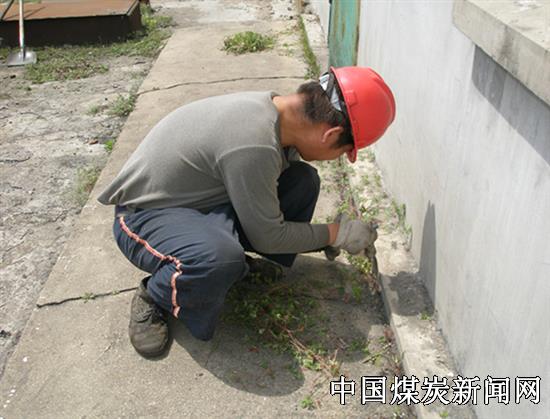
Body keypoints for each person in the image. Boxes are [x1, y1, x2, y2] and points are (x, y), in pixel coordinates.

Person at [98, 66, 396, 357]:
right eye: (343, 151)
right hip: (145, 214)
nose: (337, 158)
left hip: (200, 200)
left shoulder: (276, 113)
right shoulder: (253, 143)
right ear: (330, 135)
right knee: (218, 259)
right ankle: (156, 294)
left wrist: (325, 236)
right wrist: (335, 234)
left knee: (301, 182)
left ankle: (233, 264)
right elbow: (270, 235)